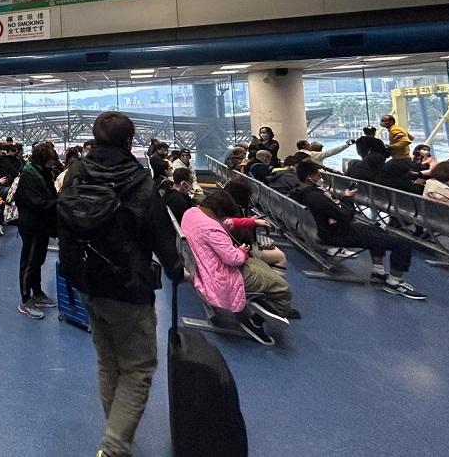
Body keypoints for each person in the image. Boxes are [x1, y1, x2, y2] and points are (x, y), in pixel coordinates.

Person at [57, 112, 182, 457]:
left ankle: (117, 431)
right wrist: (175, 269)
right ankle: (113, 446)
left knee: (108, 361)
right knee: (137, 367)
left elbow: (65, 225)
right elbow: (160, 234)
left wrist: (73, 274)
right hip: (129, 285)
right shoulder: (138, 180)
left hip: (87, 281)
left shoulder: (76, 175)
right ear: (129, 142)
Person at [293, 160, 425, 299]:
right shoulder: (316, 197)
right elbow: (345, 216)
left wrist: (336, 208)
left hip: (330, 229)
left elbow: (334, 214)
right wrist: (348, 199)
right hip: (336, 234)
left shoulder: (305, 194)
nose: (320, 178)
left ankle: (378, 271)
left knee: (377, 229)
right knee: (402, 244)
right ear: (310, 178)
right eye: (317, 175)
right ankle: (394, 282)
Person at [182, 191, 295, 345]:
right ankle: (257, 320)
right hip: (223, 278)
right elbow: (233, 259)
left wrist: (250, 222)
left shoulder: (191, 213)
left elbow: (226, 224)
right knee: (283, 288)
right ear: (219, 213)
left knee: (262, 268)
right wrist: (241, 251)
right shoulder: (212, 228)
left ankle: (266, 302)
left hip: (205, 269)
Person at [14, 143, 59, 320]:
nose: (52, 166)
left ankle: (37, 292)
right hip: (31, 225)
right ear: (41, 161)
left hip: (41, 225)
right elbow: (38, 203)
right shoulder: (28, 176)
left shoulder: (42, 173)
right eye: (49, 163)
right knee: (29, 262)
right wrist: (58, 204)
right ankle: (25, 299)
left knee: (38, 260)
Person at [219, 179, 287, 271]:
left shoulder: (221, 204)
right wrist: (251, 223)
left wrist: (249, 221)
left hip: (227, 248)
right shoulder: (235, 210)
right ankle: (273, 283)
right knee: (281, 256)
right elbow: (241, 236)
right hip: (239, 249)